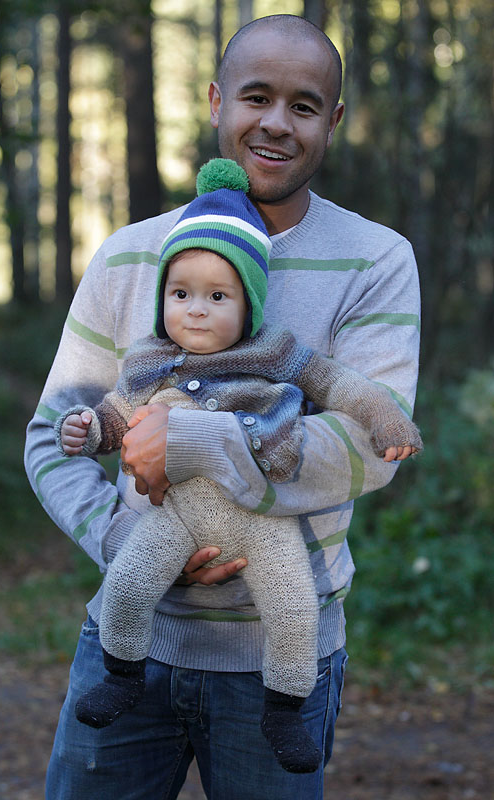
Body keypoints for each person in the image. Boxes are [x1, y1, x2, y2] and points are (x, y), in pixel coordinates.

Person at [25, 14, 421, 800]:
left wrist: (195, 441)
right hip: (129, 638)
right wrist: (124, 541)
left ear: (334, 120)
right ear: (216, 101)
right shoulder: (130, 255)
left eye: (304, 106)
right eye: (256, 97)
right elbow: (52, 435)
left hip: (281, 654)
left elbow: (365, 447)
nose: (276, 123)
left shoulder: (376, 259)